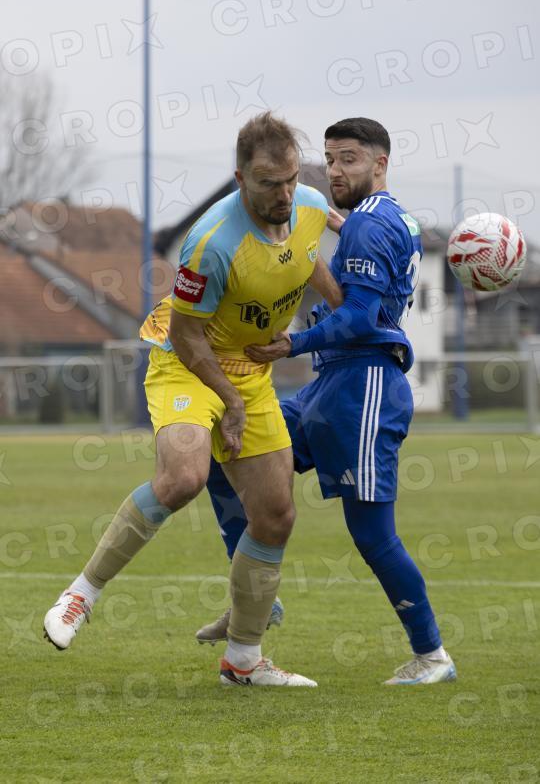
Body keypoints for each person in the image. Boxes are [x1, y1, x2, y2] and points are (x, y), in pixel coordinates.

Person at [43, 111, 342, 688]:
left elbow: (308, 259)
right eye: (268, 184)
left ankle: (244, 661)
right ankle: (80, 595)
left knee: (275, 515)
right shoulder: (210, 241)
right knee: (184, 477)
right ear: (240, 178)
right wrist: (229, 399)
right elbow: (186, 334)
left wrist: (350, 309)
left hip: (249, 373)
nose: (283, 195)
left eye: (289, 180)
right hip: (187, 364)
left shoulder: (307, 205)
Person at [199, 117, 457, 685]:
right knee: (227, 452)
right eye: (331, 159)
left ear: (380, 164)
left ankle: (433, 655)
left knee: (372, 535)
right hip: (329, 386)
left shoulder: (370, 224)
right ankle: (257, 596)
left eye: (349, 160)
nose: (336, 171)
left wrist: (292, 343)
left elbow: (360, 317)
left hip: (363, 390)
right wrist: (338, 222)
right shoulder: (387, 219)